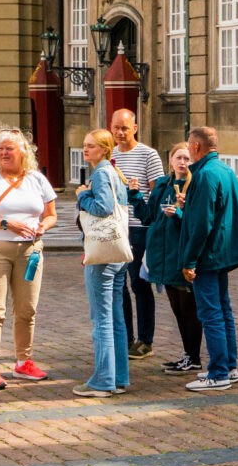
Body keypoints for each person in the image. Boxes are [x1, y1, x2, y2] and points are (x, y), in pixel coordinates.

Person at [0, 130, 58, 390]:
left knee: (27, 310)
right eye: (0, 149)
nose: (4, 153)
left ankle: (23, 362)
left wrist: (43, 227)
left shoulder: (37, 180)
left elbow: (51, 215)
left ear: (23, 152)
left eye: (9, 149)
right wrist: (6, 223)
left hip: (30, 251)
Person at [176, 127, 238, 393]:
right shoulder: (224, 170)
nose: (188, 152)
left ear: (196, 146)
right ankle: (229, 366)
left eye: (189, 147)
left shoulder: (204, 175)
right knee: (223, 310)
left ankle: (219, 372)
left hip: (208, 255)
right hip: (221, 251)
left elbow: (202, 223)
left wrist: (189, 261)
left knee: (211, 313)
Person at [74, 128, 132, 398]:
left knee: (102, 319)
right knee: (116, 318)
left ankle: (103, 381)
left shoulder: (100, 173)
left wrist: (82, 196)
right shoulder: (114, 172)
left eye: (91, 146)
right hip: (119, 253)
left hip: (102, 254)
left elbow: (103, 207)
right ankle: (119, 378)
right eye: (84, 145)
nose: (85, 150)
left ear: (105, 149)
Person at [136, 141, 203, 375]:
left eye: (187, 159)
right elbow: (147, 217)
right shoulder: (163, 184)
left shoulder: (195, 185)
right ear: (171, 160)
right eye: (179, 158)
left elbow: (198, 223)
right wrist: (135, 196)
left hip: (181, 254)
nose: (183, 163)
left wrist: (181, 213)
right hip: (162, 254)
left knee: (189, 309)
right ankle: (187, 355)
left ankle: (193, 357)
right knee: (177, 309)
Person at [107, 109, 164, 358]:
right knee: (119, 284)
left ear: (135, 128)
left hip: (140, 228)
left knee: (139, 284)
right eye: (116, 128)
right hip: (117, 227)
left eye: (125, 128)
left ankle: (145, 340)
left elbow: (158, 193)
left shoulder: (148, 155)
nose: (120, 133)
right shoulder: (110, 155)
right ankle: (125, 336)